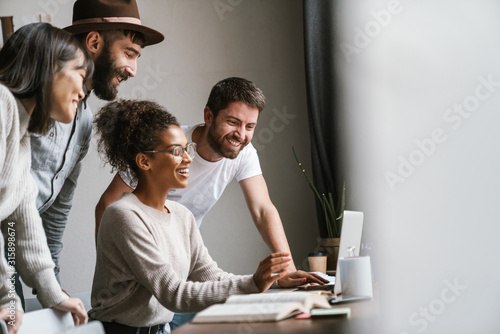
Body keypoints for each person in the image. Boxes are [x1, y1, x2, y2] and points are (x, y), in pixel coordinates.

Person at [90, 99, 326, 334]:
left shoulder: (182, 215)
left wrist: (271, 279)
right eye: (176, 151)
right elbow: (173, 293)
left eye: (187, 149)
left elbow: (210, 276)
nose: (189, 159)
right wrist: (253, 283)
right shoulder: (124, 216)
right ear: (144, 161)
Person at [22, 0, 164, 306]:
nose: (133, 70)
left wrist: (52, 288)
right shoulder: (26, 97)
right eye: (129, 53)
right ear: (95, 42)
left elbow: (57, 208)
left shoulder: (84, 120)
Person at [0, 23, 94, 333]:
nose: (83, 90)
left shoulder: (22, 134)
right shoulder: (1, 105)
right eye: (80, 75)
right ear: (50, 66)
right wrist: (6, 293)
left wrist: (52, 292)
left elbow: (22, 217)